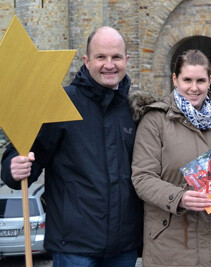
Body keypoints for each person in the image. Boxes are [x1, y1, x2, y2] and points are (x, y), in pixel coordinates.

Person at [1, 26, 143, 266]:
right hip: (74, 247)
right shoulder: (59, 105)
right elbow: (22, 150)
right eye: (101, 57)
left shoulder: (135, 109)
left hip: (124, 246)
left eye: (116, 57)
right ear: (87, 61)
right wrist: (12, 168)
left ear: (126, 60)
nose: (109, 64)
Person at [130, 49, 211, 267]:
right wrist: (179, 197)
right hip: (170, 249)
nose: (194, 87)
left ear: (209, 81)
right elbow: (143, 177)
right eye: (187, 80)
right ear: (175, 79)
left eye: (200, 80)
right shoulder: (155, 121)